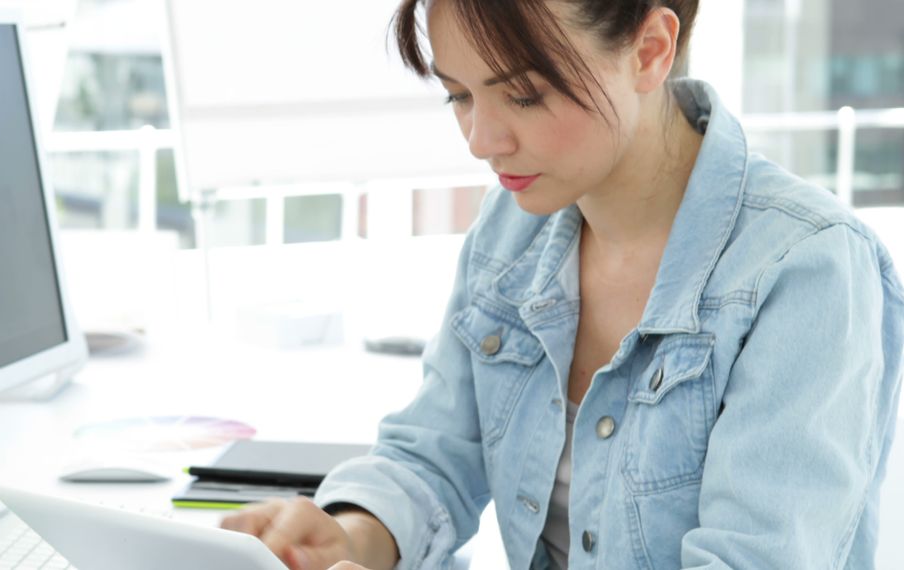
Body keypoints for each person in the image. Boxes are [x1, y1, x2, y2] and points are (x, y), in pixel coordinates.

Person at [221, 0, 904, 568]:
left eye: (524, 94)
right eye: (459, 95)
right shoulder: (514, 227)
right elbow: (434, 453)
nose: (482, 140)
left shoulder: (807, 268)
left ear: (649, 50)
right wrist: (351, 535)